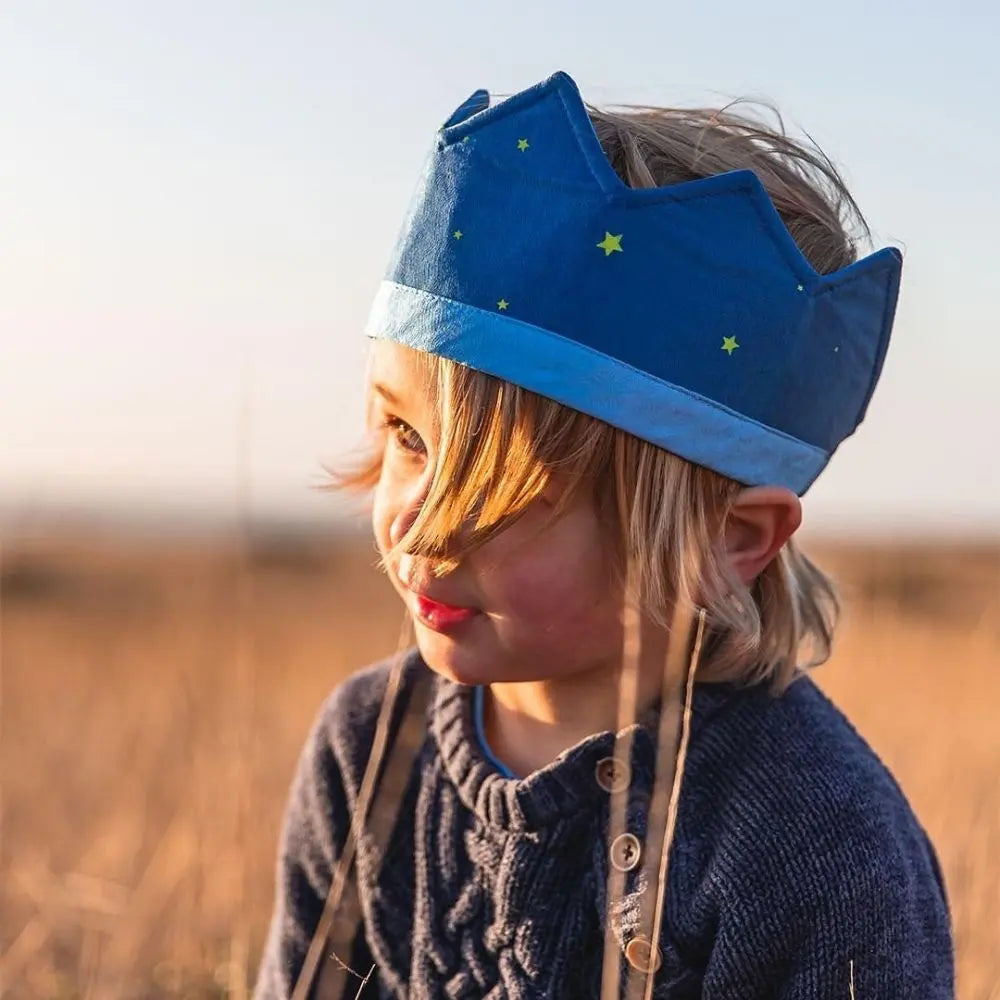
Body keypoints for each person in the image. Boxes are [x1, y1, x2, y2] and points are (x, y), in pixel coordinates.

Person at [254, 71, 954, 999]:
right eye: (409, 437)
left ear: (729, 540)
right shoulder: (370, 748)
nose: (421, 524)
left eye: (510, 488)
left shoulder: (815, 845)